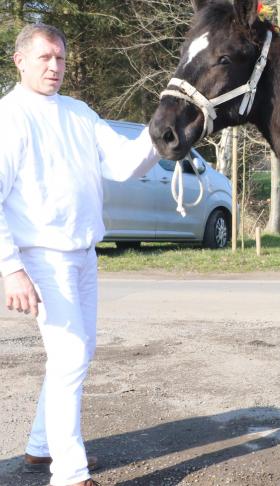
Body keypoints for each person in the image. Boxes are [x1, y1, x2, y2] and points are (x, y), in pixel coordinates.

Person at [0, 23, 160, 486]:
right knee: (70, 356)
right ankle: (69, 475)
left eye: (61, 59)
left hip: (83, 252)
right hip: (40, 255)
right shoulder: (10, 117)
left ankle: (39, 447)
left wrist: (162, 127)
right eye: (45, 58)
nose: (55, 67)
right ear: (20, 61)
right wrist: (11, 269)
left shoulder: (78, 112)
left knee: (76, 354)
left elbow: (127, 164)